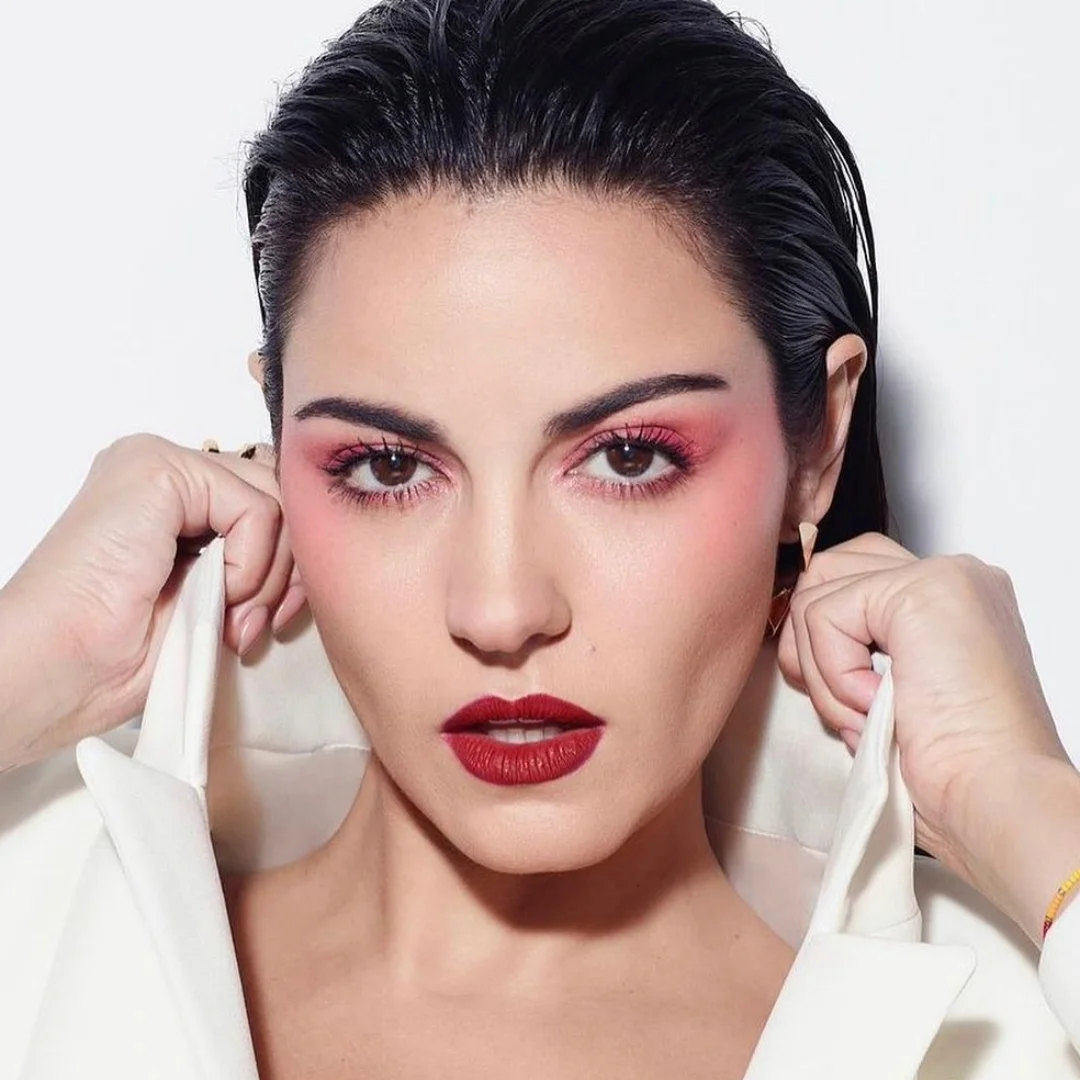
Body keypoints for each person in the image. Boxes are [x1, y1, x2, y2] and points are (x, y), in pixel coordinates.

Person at [2, 1, 1080, 1077]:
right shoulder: (34, 921)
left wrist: (1025, 803)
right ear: (279, 450)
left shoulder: (1010, 1023)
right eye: (386, 465)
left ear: (816, 441)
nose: (503, 610)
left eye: (628, 457)